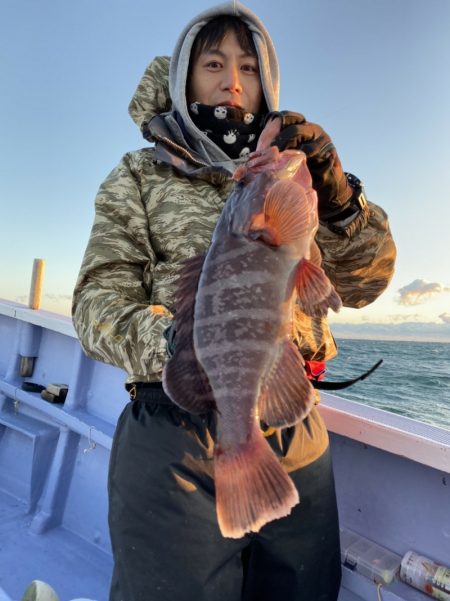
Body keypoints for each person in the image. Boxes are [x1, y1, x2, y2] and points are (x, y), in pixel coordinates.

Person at [72, 2, 396, 600]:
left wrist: (342, 198)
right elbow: (96, 304)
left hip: (295, 428)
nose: (233, 81)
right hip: (174, 437)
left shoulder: (295, 181)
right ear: (183, 79)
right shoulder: (137, 176)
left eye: (249, 67)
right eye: (214, 63)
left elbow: (364, 284)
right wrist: (189, 344)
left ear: (267, 83)